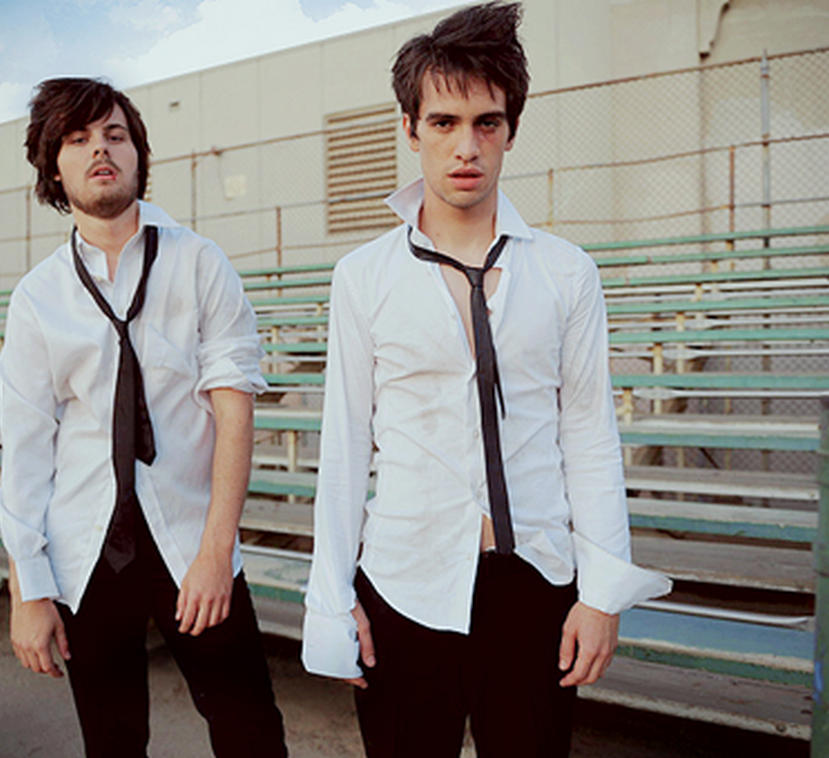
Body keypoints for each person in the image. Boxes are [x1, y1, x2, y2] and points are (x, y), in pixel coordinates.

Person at [301, 4, 670, 757]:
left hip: (534, 584)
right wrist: (331, 599)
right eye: (443, 122)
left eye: (486, 123)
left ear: (510, 129)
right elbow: (343, 446)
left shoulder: (566, 272)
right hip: (403, 584)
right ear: (410, 129)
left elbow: (589, 436)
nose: (465, 146)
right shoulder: (362, 276)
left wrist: (602, 593)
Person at [0, 77, 287, 758]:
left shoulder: (199, 263)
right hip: (86, 547)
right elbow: (26, 450)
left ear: (137, 154)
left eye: (114, 135)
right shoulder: (37, 297)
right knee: (113, 739)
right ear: (53, 168)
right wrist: (28, 589)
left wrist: (217, 552)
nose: (100, 149)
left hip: (192, 535)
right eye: (77, 139)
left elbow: (234, 412)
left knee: (249, 728)